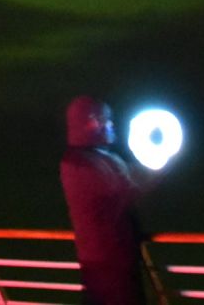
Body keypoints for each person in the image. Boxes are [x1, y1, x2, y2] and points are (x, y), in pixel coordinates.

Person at [60, 96, 158, 305]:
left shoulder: (98, 158)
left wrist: (155, 162)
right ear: (92, 122)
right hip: (106, 265)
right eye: (107, 119)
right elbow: (129, 190)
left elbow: (130, 177)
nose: (112, 125)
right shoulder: (81, 164)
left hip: (112, 260)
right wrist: (164, 163)